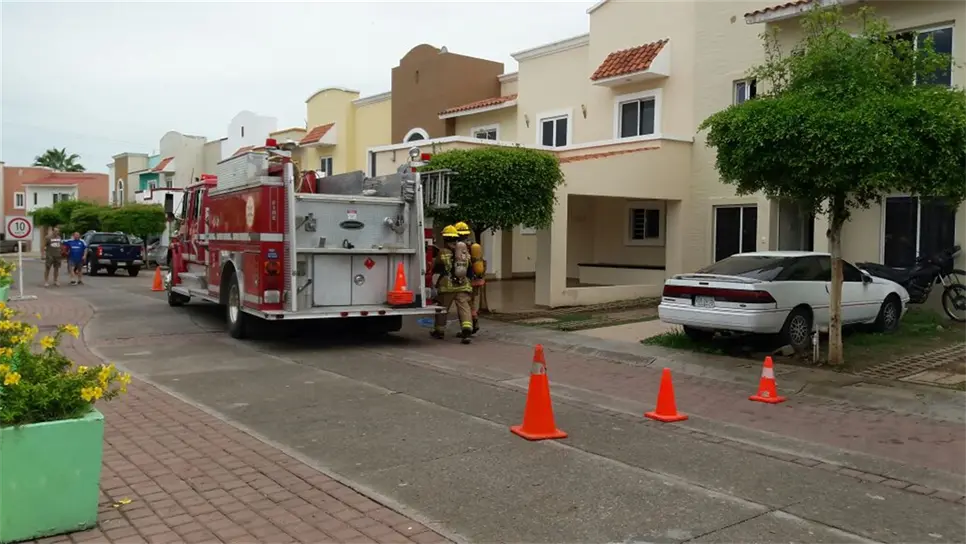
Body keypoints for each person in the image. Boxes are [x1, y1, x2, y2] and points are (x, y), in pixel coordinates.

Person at [431, 225, 475, 344]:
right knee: (464, 307)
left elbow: (436, 267)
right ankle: (467, 330)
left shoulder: (443, 252)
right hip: (463, 284)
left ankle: (439, 331)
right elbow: (470, 267)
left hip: (447, 286)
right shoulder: (464, 251)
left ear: (445, 239)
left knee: (442, 308)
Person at [455, 221, 484, 335]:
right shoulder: (473, 245)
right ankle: (475, 323)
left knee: (464, 303)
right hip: (477, 279)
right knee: (472, 303)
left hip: (466, 279)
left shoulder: (459, 247)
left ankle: (468, 326)